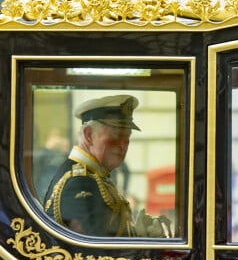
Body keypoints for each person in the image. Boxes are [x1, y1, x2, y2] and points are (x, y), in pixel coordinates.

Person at [44, 94, 166, 237]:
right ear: (88, 135)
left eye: (127, 136)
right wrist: (141, 242)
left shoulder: (94, 175)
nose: (123, 144)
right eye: (115, 135)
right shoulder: (80, 182)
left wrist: (138, 234)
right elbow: (98, 250)